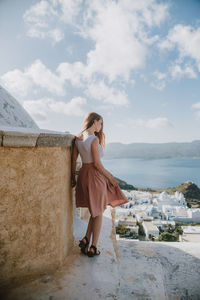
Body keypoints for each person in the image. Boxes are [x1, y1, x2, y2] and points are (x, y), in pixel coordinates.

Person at [71, 112, 129, 257]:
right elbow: (97, 164)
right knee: (99, 212)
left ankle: (86, 239)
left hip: (83, 174)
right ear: (94, 121)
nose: (101, 126)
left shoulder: (77, 138)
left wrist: (73, 177)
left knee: (95, 211)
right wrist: (111, 177)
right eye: (101, 123)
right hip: (94, 176)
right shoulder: (93, 140)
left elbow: (73, 161)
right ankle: (93, 247)